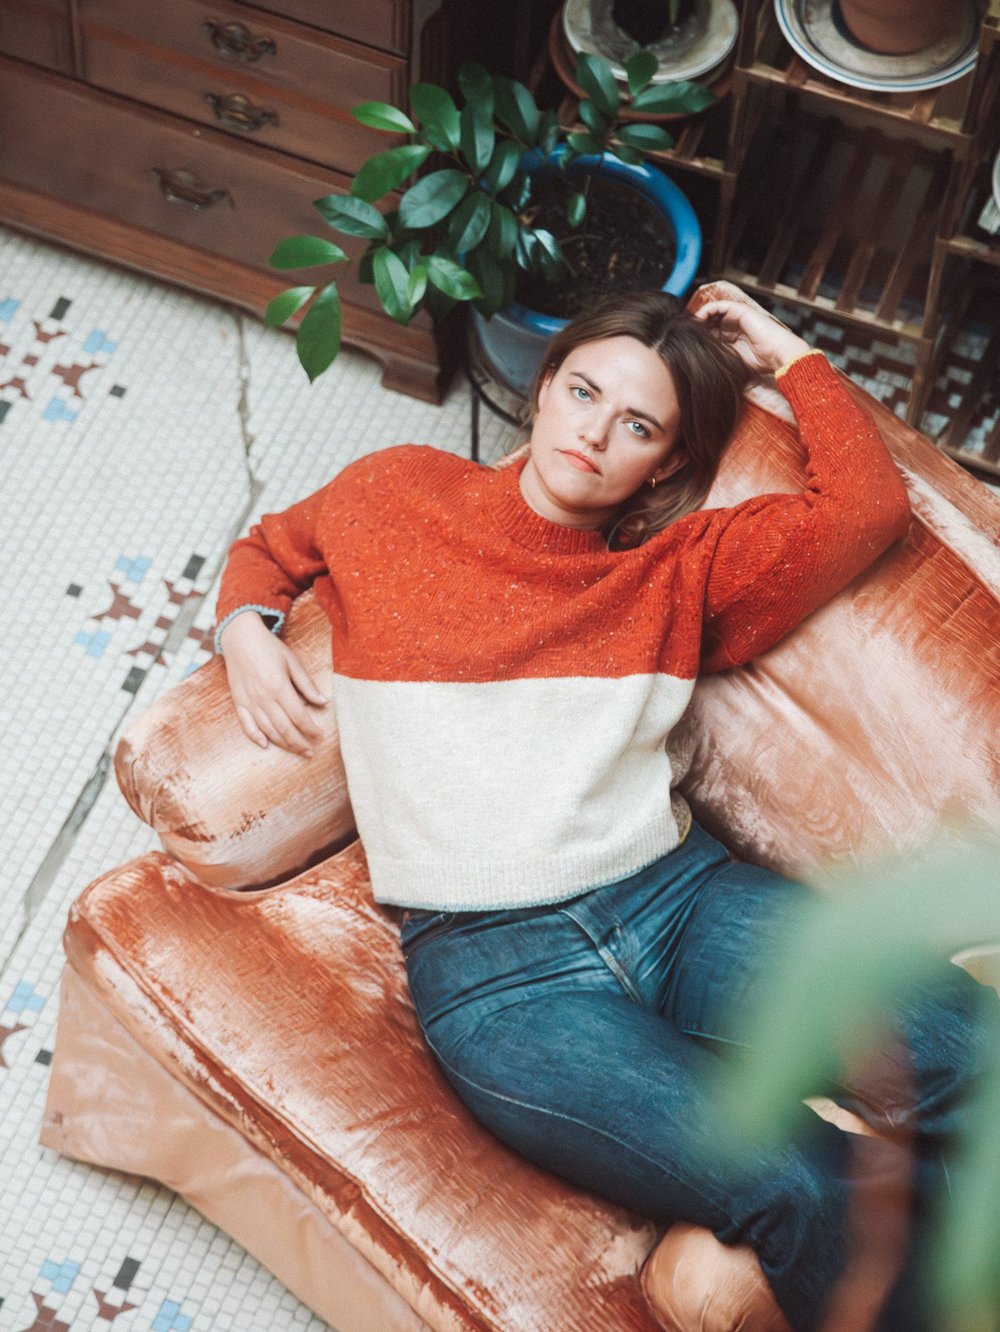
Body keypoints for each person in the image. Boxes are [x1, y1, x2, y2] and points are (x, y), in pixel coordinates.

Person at [214, 291, 986, 1331]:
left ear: (664, 465)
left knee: (970, 1046)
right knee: (793, 1183)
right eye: (583, 393)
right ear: (544, 388)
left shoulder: (677, 571)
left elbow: (864, 510)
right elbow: (274, 545)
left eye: (637, 425)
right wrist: (245, 628)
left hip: (683, 902)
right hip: (500, 980)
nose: (593, 432)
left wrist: (786, 353)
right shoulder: (396, 492)